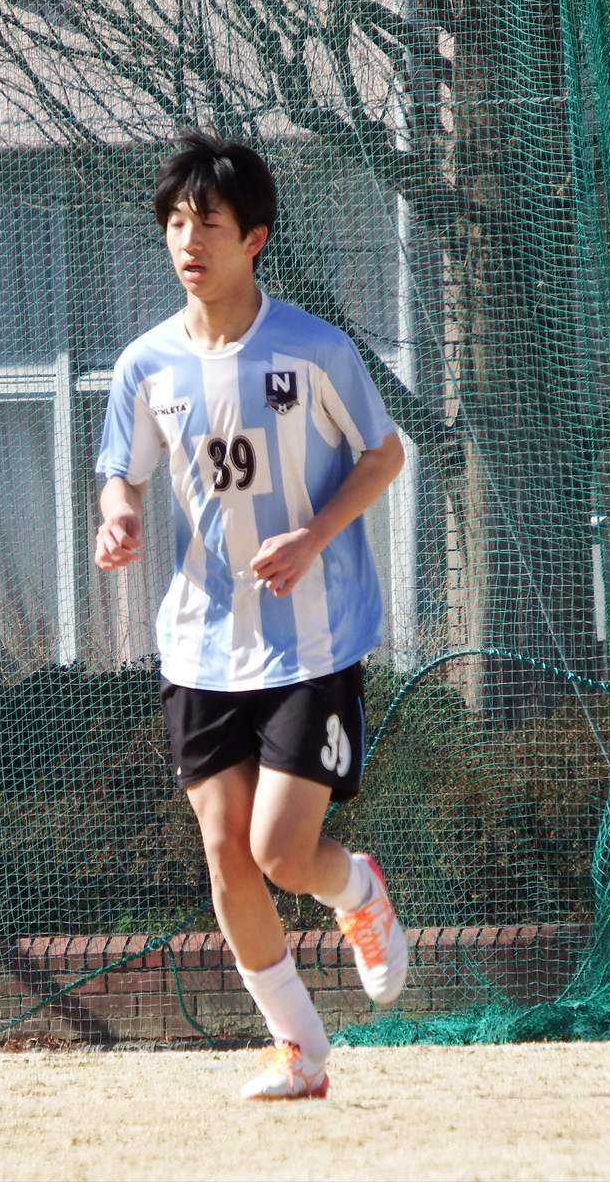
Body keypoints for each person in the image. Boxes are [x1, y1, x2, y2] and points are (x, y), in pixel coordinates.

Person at [93, 130, 409, 1100]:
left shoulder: (313, 349)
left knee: (281, 854)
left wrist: (312, 536)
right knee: (225, 852)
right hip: (199, 647)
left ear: (254, 238)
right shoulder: (146, 365)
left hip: (312, 640)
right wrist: (117, 515)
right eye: (175, 224)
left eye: (209, 224)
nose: (188, 242)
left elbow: (385, 455)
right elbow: (120, 471)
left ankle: (356, 889)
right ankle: (299, 1051)